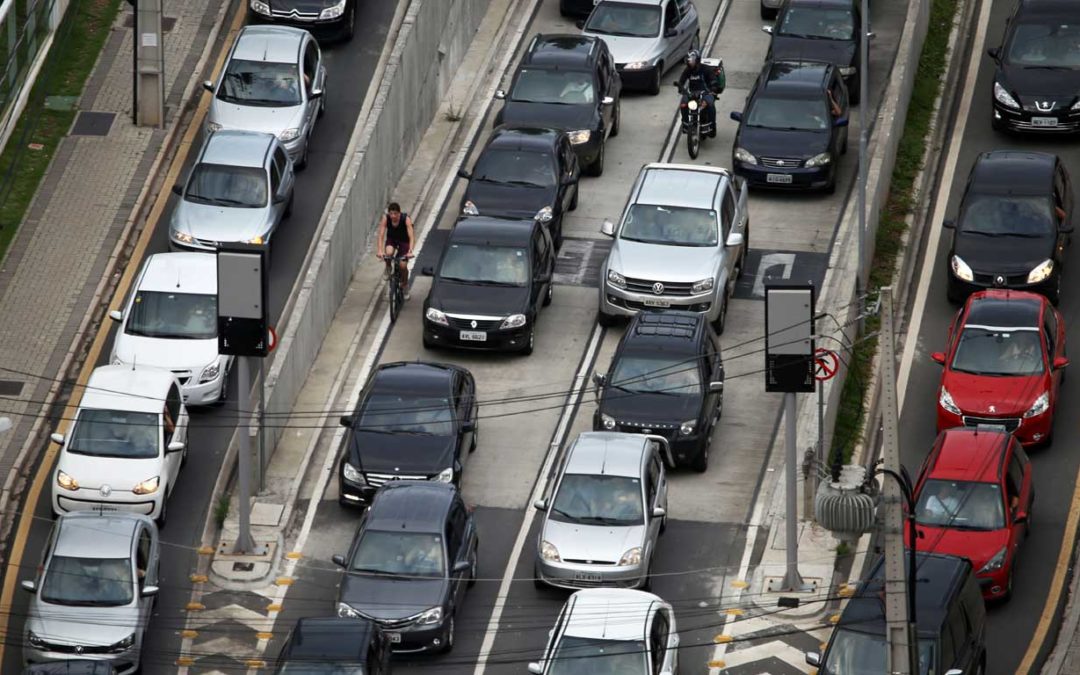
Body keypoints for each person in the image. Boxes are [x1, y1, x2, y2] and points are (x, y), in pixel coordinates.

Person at [375, 202, 416, 300]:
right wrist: (380, 250)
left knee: (402, 265)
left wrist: (410, 251)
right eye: (391, 214)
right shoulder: (386, 219)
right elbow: (381, 235)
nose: (393, 216)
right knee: (388, 253)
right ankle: (388, 267)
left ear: (399, 213)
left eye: (395, 214)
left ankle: (405, 285)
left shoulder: (406, 219)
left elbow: (411, 236)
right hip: (392, 240)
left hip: (404, 241)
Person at [675, 50, 718, 137]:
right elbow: (682, 80)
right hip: (692, 94)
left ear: (697, 60)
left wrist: (713, 87)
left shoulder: (706, 69)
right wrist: (680, 87)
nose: (690, 62)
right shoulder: (688, 70)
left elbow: (713, 79)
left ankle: (712, 127)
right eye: (689, 60)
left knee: (710, 105)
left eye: (692, 60)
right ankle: (685, 125)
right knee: (683, 104)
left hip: (705, 93)